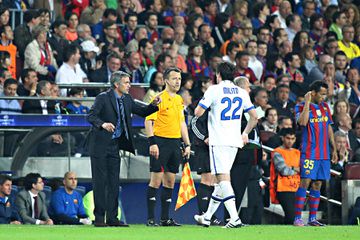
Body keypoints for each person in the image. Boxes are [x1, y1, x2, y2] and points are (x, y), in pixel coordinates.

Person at [87, 71, 160, 227]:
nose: (129, 85)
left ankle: (112, 218)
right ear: (116, 84)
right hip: (99, 146)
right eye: (126, 82)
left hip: (114, 146)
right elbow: (91, 116)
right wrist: (103, 124)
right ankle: (99, 219)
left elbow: (142, 111)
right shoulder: (103, 98)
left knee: (113, 182)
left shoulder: (127, 99)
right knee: (100, 183)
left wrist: (153, 106)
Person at [194, 62, 258, 228]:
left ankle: (234, 218)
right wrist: (244, 133)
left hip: (219, 140)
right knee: (219, 181)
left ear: (218, 75)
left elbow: (197, 113)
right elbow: (254, 117)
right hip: (235, 141)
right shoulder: (242, 92)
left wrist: (207, 105)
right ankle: (207, 216)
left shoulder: (214, 89)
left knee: (223, 180)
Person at [145, 67, 191, 227]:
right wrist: (152, 142)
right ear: (166, 81)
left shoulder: (179, 100)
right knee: (156, 180)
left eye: (179, 78)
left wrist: (187, 144)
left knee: (170, 181)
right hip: (160, 142)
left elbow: (182, 123)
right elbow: (148, 121)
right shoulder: (159, 98)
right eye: (174, 78)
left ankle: (165, 218)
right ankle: (151, 218)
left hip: (174, 143)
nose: (177, 81)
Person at [293, 80, 337, 227]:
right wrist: (306, 103)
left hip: (324, 154)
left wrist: (334, 149)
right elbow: (303, 123)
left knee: (317, 184)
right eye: (322, 94)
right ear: (313, 93)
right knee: (305, 182)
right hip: (309, 152)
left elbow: (329, 128)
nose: (324, 97)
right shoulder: (300, 106)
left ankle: (312, 219)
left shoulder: (325, 107)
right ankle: (297, 218)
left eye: (325, 94)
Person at [270, 128, 300, 224]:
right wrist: (295, 169)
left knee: (293, 216)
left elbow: (304, 170)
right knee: (291, 215)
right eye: (288, 138)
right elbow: (284, 171)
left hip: (297, 187)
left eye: (292, 138)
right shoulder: (277, 152)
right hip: (283, 188)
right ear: (282, 138)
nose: (290, 141)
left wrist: (291, 168)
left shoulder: (297, 152)